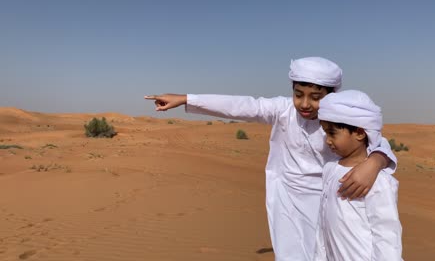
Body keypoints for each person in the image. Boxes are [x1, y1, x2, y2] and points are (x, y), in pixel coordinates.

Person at [144, 57, 397, 261]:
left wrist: (375, 163)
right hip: (287, 197)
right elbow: (242, 106)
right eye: (299, 94)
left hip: (330, 197)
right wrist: (187, 99)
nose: (305, 104)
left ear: (331, 95)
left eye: (316, 97)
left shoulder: (341, 119)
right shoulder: (282, 110)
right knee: (291, 253)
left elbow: (376, 142)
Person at [315, 90, 402, 260]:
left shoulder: (379, 180)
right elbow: (322, 224)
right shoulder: (330, 169)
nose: (327, 140)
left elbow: (386, 233)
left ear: (360, 133)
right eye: (325, 133)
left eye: (332, 133)